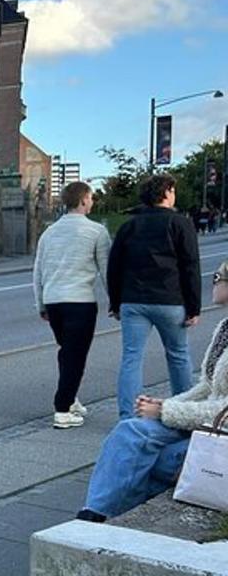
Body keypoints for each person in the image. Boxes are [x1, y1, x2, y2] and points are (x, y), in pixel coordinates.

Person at [79, 260, 228, 521]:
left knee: (154, 460)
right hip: (204, 425)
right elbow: (206, 386)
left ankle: (100, 520)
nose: (214, 281)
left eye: (219, 276)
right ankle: (93, 516)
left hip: (220, 433)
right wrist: (166, 404)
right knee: (131, 430)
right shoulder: (225, 328)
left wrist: (166, 410)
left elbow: (224, 409)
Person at [107, 172, 200, 420]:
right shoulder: (180, 223)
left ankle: (128, 415)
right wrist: (194, 307)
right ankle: (183, 412)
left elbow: (114, 267)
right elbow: (190, 266)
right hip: (170, 300)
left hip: (134, 301)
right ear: (166, 192)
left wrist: (116, 303)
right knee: (178, 354)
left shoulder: (129, 226)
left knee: (131, 357)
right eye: (173, 190)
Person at [32, 181, 111, 429]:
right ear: (84, 199)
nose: (93, 202)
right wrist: (115, 301)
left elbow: (38, 271)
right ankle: (62, 410)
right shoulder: (97, 232)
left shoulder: (49, 232)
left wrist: (41, 304)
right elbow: (106, 271)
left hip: (54, 302)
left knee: (67, 352)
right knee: (76, 356)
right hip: (80, 302)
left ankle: (71, 396)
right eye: (91, 198)